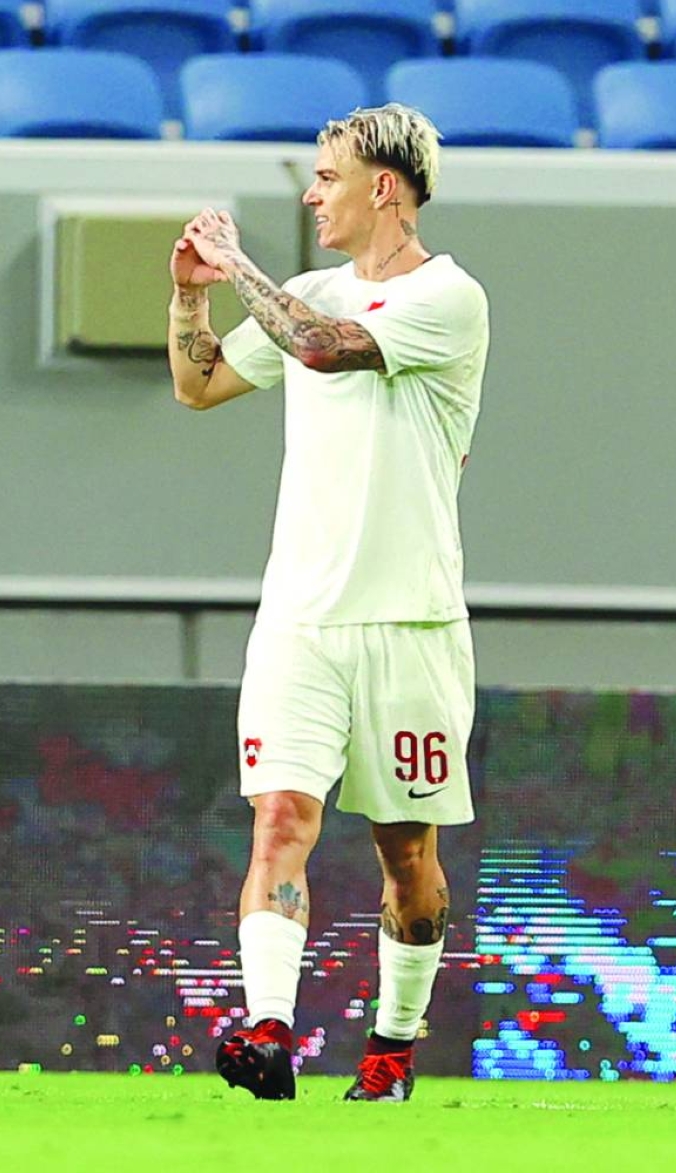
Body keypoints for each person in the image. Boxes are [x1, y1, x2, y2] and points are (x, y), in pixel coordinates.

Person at [167, 103, 490, 1102]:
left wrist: (238, 266)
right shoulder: (304, 288)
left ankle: (391, 1050)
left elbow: (317, 346)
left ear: (380, 188)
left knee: (407, 859)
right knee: (279, 820)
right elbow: (201, 384)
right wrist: (188, 297)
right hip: (299, 619)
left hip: (409, 622)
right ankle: (268, 1031)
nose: (311, 194)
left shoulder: (450, 298)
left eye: (326, 176)